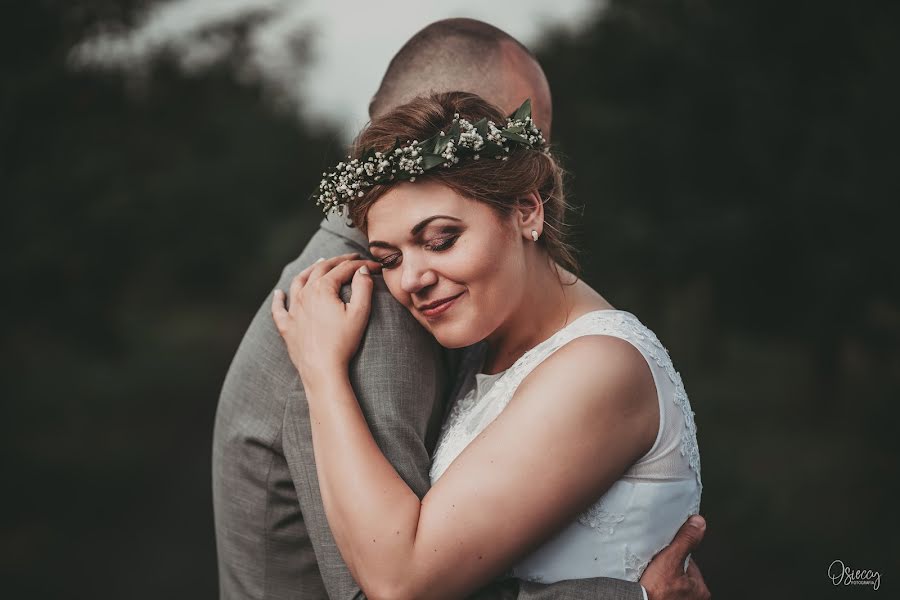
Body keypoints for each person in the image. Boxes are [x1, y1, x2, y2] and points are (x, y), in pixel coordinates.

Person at [214, 17, 709, 600]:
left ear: (525, 209)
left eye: (442, 238)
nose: (413, 278)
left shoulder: (578, 354)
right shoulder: (358, 306)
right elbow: (395, 583)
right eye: (391, 255)